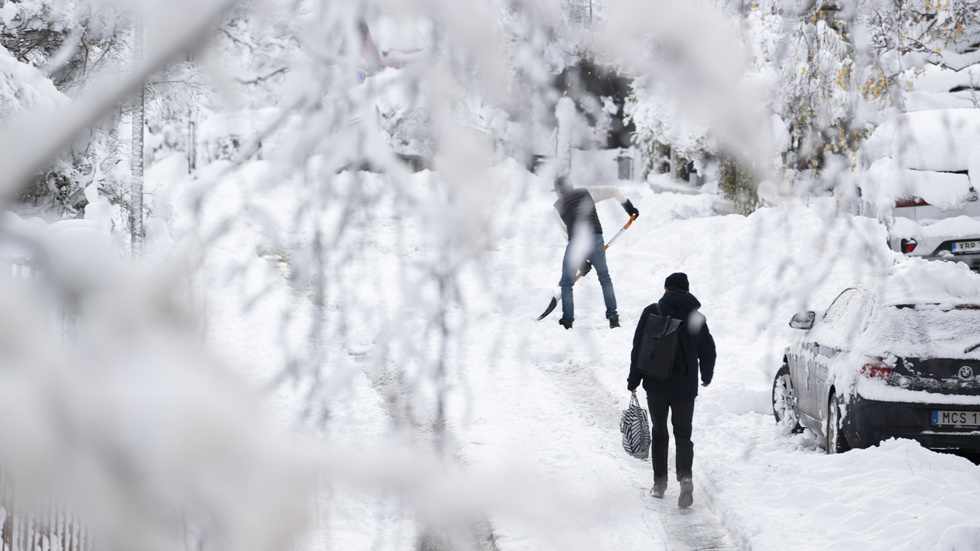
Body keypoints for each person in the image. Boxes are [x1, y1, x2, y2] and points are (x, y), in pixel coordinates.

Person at [627, 272, 716, 508]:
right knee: (683, 434)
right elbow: (708, 349)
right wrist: (706, 375)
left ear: (666, 289)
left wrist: (633, 379)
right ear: (686, 291)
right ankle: (685, 477)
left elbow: (639, 347)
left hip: (656, 384)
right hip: (685, 386)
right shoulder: (696, 317)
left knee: (659, 433)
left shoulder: (653, 310)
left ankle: (659, 483)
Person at [552, 176, 639, 330]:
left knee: (566, 283)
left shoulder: (557, 207)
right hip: (596, 237)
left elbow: (567, 235)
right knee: (604, 278)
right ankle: (613, 318)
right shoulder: (586, 192)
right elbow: (613, 190)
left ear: (558, 191)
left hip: (577, 241)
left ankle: (567, 321)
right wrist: (629, 207)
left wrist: (581, 261)